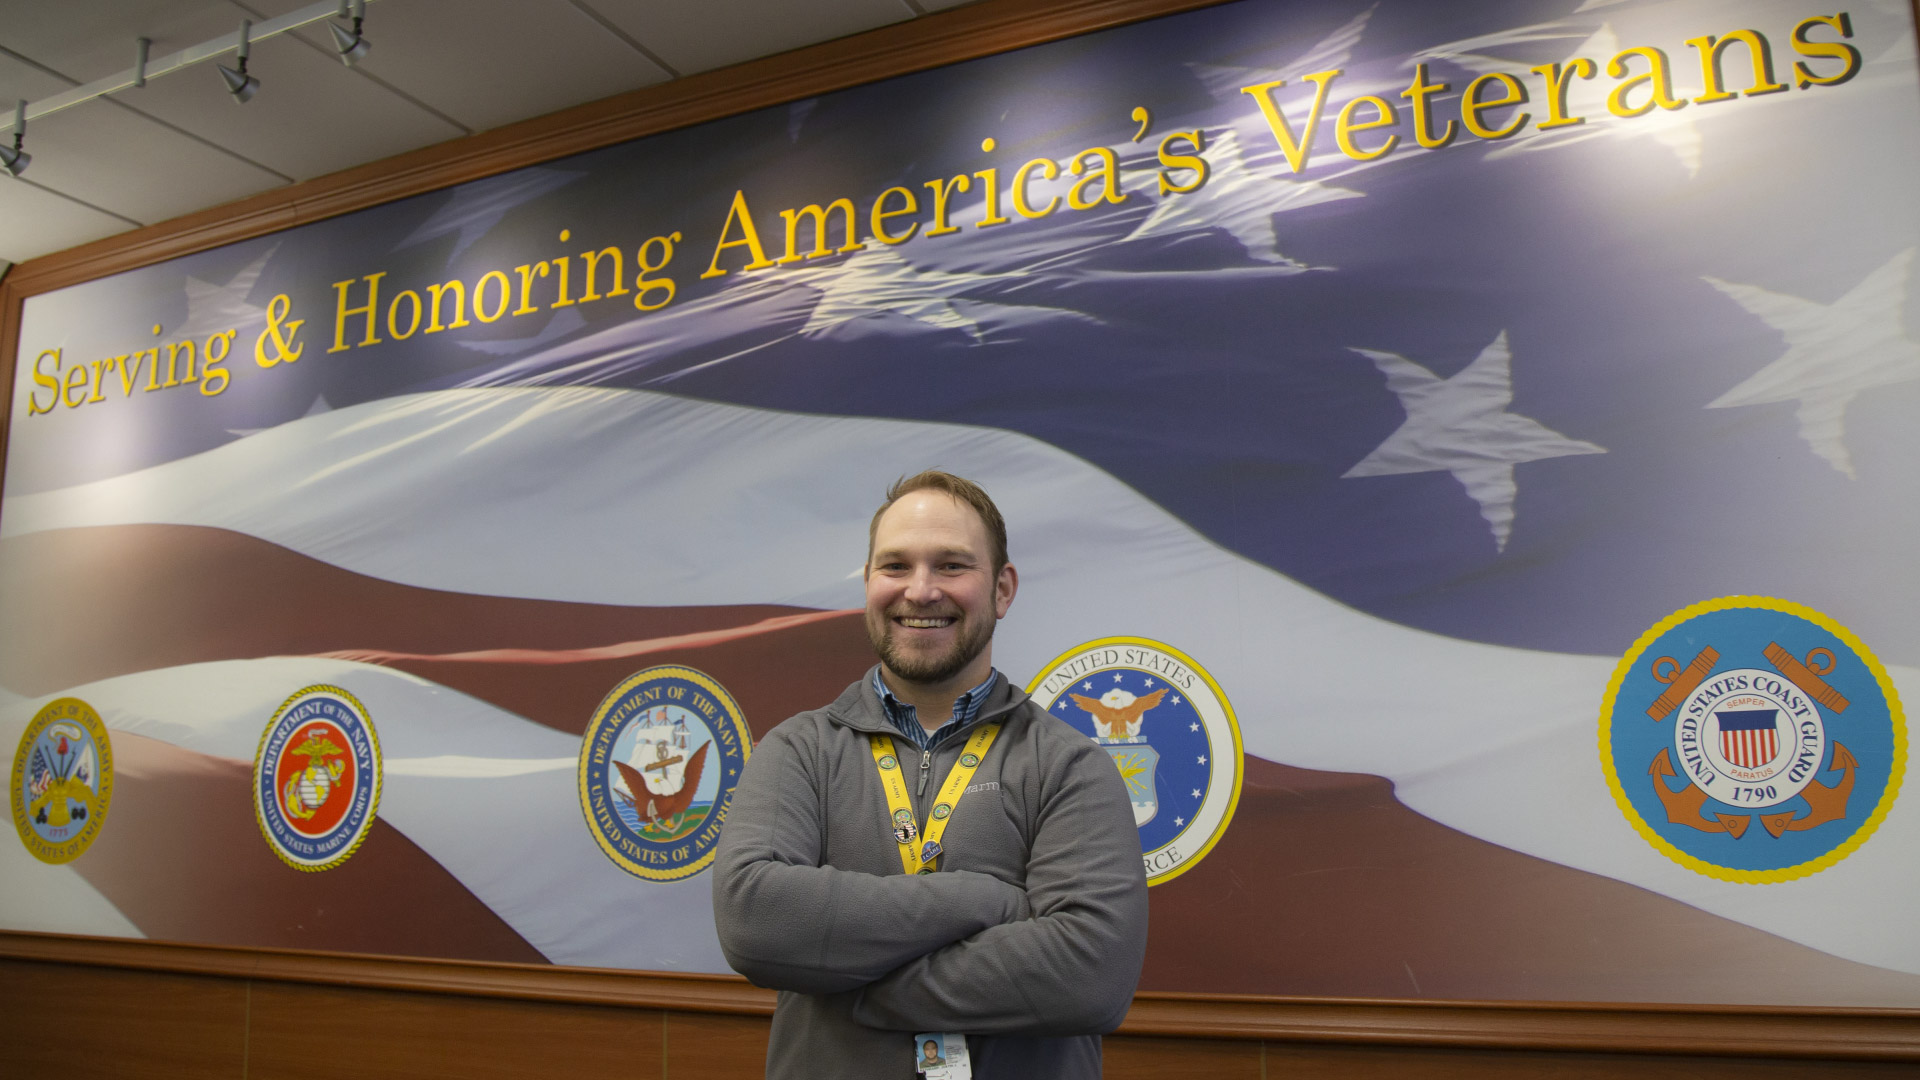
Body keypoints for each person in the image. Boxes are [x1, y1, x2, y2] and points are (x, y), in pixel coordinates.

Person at [714, 470, 1149, 1079]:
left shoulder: (1070, 765)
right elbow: (755, 921)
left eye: (951, 565)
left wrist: (852, 985)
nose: (919, 591)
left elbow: (1089, 977)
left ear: (1002, 589)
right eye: (895, 566)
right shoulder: (798, 751)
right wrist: (988, 899)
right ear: (869, 584)